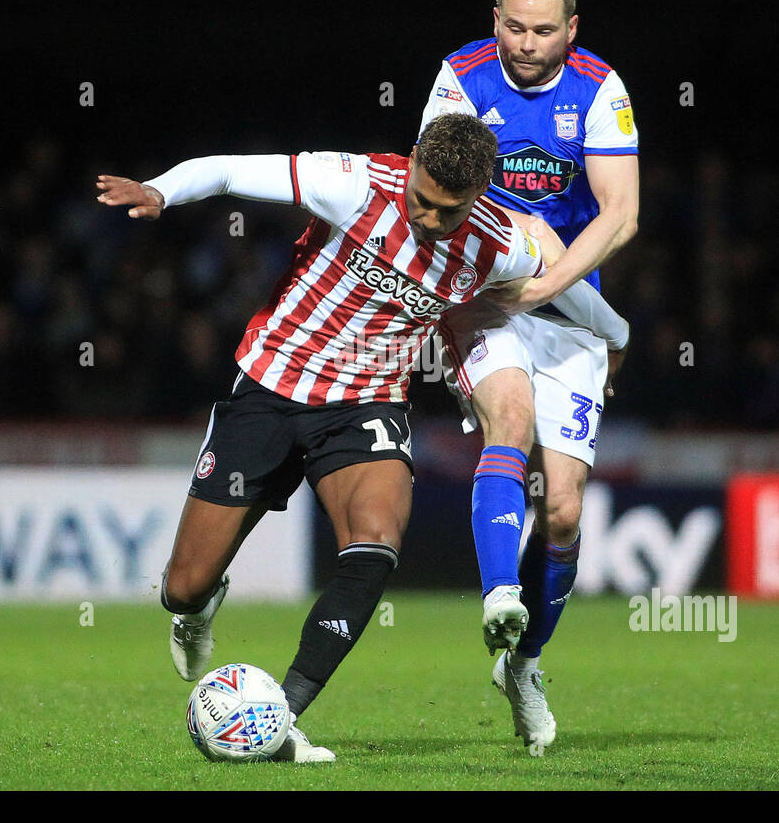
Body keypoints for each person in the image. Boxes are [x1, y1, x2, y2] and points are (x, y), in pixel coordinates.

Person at [95, 113, 624, 761]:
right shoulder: (352, 182)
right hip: (270, 386)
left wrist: (614, 333)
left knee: (376, 543)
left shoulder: (494, 244)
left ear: (480, 197)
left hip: (366, 407)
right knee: (183, 583)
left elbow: (556, 263)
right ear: (411, 164)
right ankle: (197, 604)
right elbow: (231, 169)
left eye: (447, 212)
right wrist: (160, 190)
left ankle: (280, 719)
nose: (428, 219)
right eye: (421, 199)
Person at [420, 0, 640, 755]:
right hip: (486, 297)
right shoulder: (461, 79)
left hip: (566, 304)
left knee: (566, 510)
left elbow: (621, 217)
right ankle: (499, 595)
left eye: (544, 30)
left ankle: (526, 664)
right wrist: (516, 240)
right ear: (496, 17)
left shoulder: (600, 90)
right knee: (508, 419)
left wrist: (550, 281)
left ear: (571, 29)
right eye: (513, 25)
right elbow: (434, 193)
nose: (526, 43)